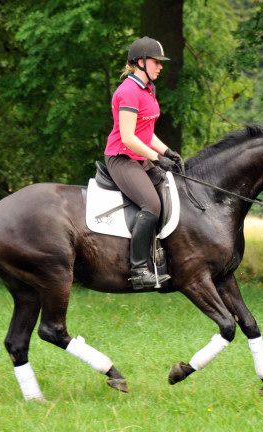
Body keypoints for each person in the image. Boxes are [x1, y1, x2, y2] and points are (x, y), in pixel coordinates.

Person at [104, 36, 182, 289]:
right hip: (122, 158)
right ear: (140, 62)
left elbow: (145, 132)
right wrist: (157, 158)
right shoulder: (127, 92)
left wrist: (168, 151)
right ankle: (139, 271)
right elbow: (128, 138)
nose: (160, 67)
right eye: (156, 62)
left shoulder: (149, 89)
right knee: (151, 204)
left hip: (140, 156)